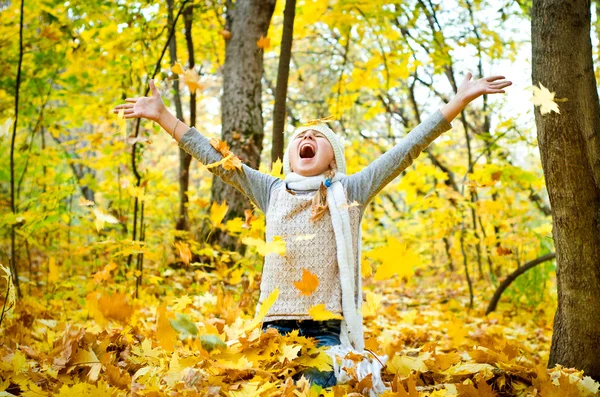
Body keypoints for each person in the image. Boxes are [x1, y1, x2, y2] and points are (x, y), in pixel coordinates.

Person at [112, 72, 511, 393]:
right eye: (300, 137)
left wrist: (458, 101)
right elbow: (215, 159)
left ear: (332, 158)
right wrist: (164, 117)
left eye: (318, 137)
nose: (307, 139)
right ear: (290, 155)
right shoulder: (269, 190)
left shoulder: (350, 190)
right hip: (273, 326)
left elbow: (405, 149)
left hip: (326, 329)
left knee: (313, 386)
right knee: (264, 386)